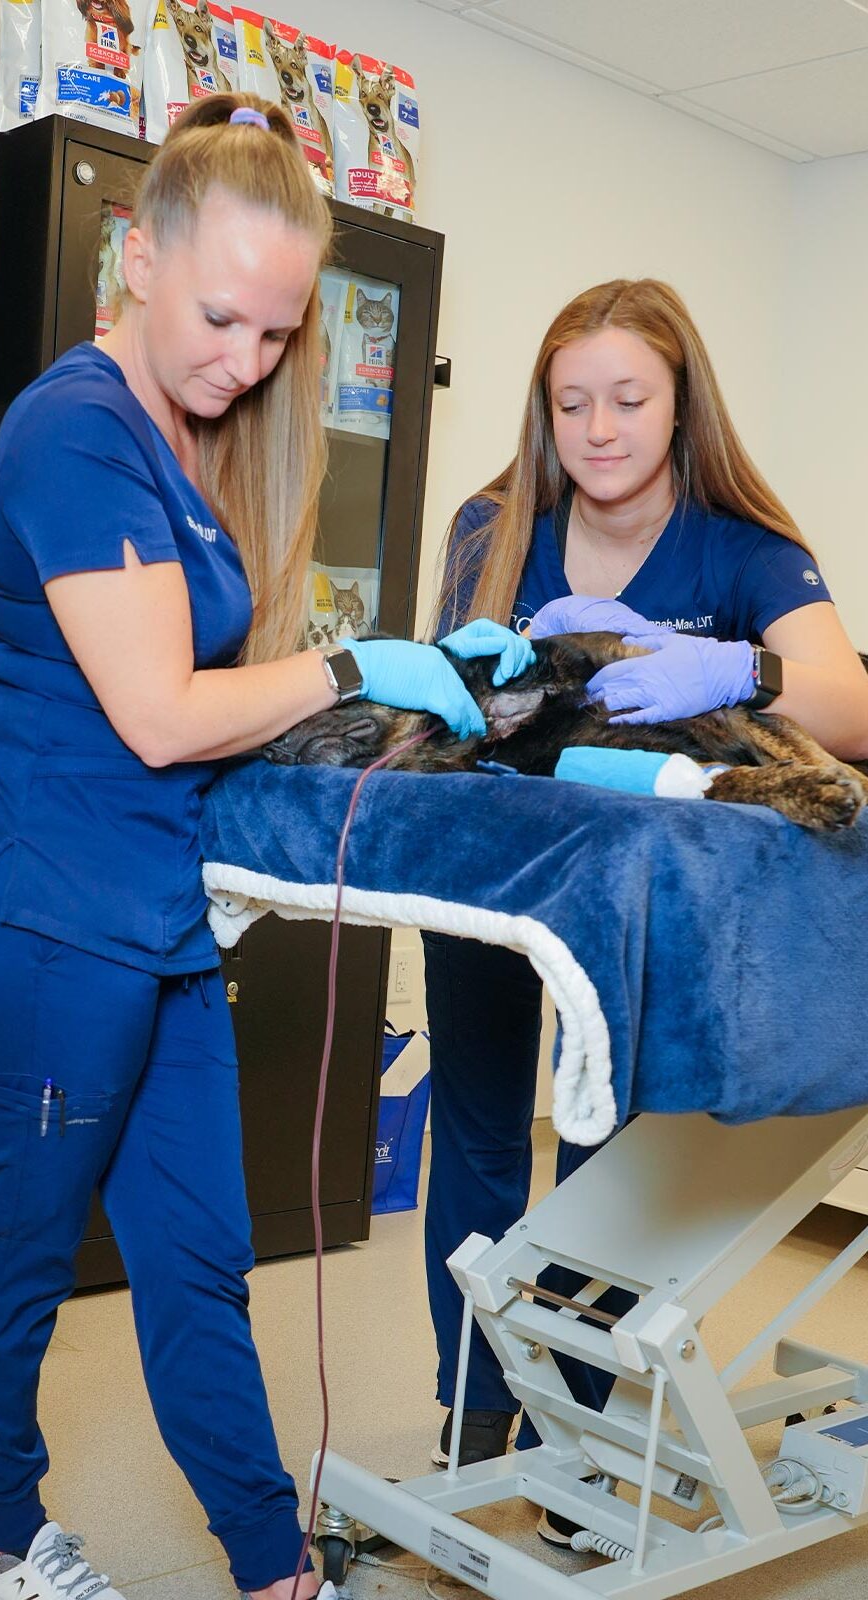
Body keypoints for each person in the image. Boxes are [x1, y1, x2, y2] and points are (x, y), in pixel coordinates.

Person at [0, 94, 534, 1600]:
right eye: (221, 317)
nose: (244, 361)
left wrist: (396, 705)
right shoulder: (76, 431)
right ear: (135, 256)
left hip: (152, 922)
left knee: (196, 1255)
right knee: (22, 1261)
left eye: (275, 334)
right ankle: (2, 1545)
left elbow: (211, 725)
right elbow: (163, 714)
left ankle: (269, 1562)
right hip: (39, 925)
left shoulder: (181, 455)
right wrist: (368, 665)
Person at [421, 277, 868, 1542]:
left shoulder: (737, 545)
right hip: (499, 873)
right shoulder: (492, 526)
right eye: (571, 402)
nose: (599, 427)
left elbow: (850, 702)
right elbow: (462, 694)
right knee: (476, 1137)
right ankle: (472, 1414)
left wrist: (745, 664)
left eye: (628, 398)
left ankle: (577, 1433)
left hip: (644, 905)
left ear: (682, 407)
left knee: (604, 1149)